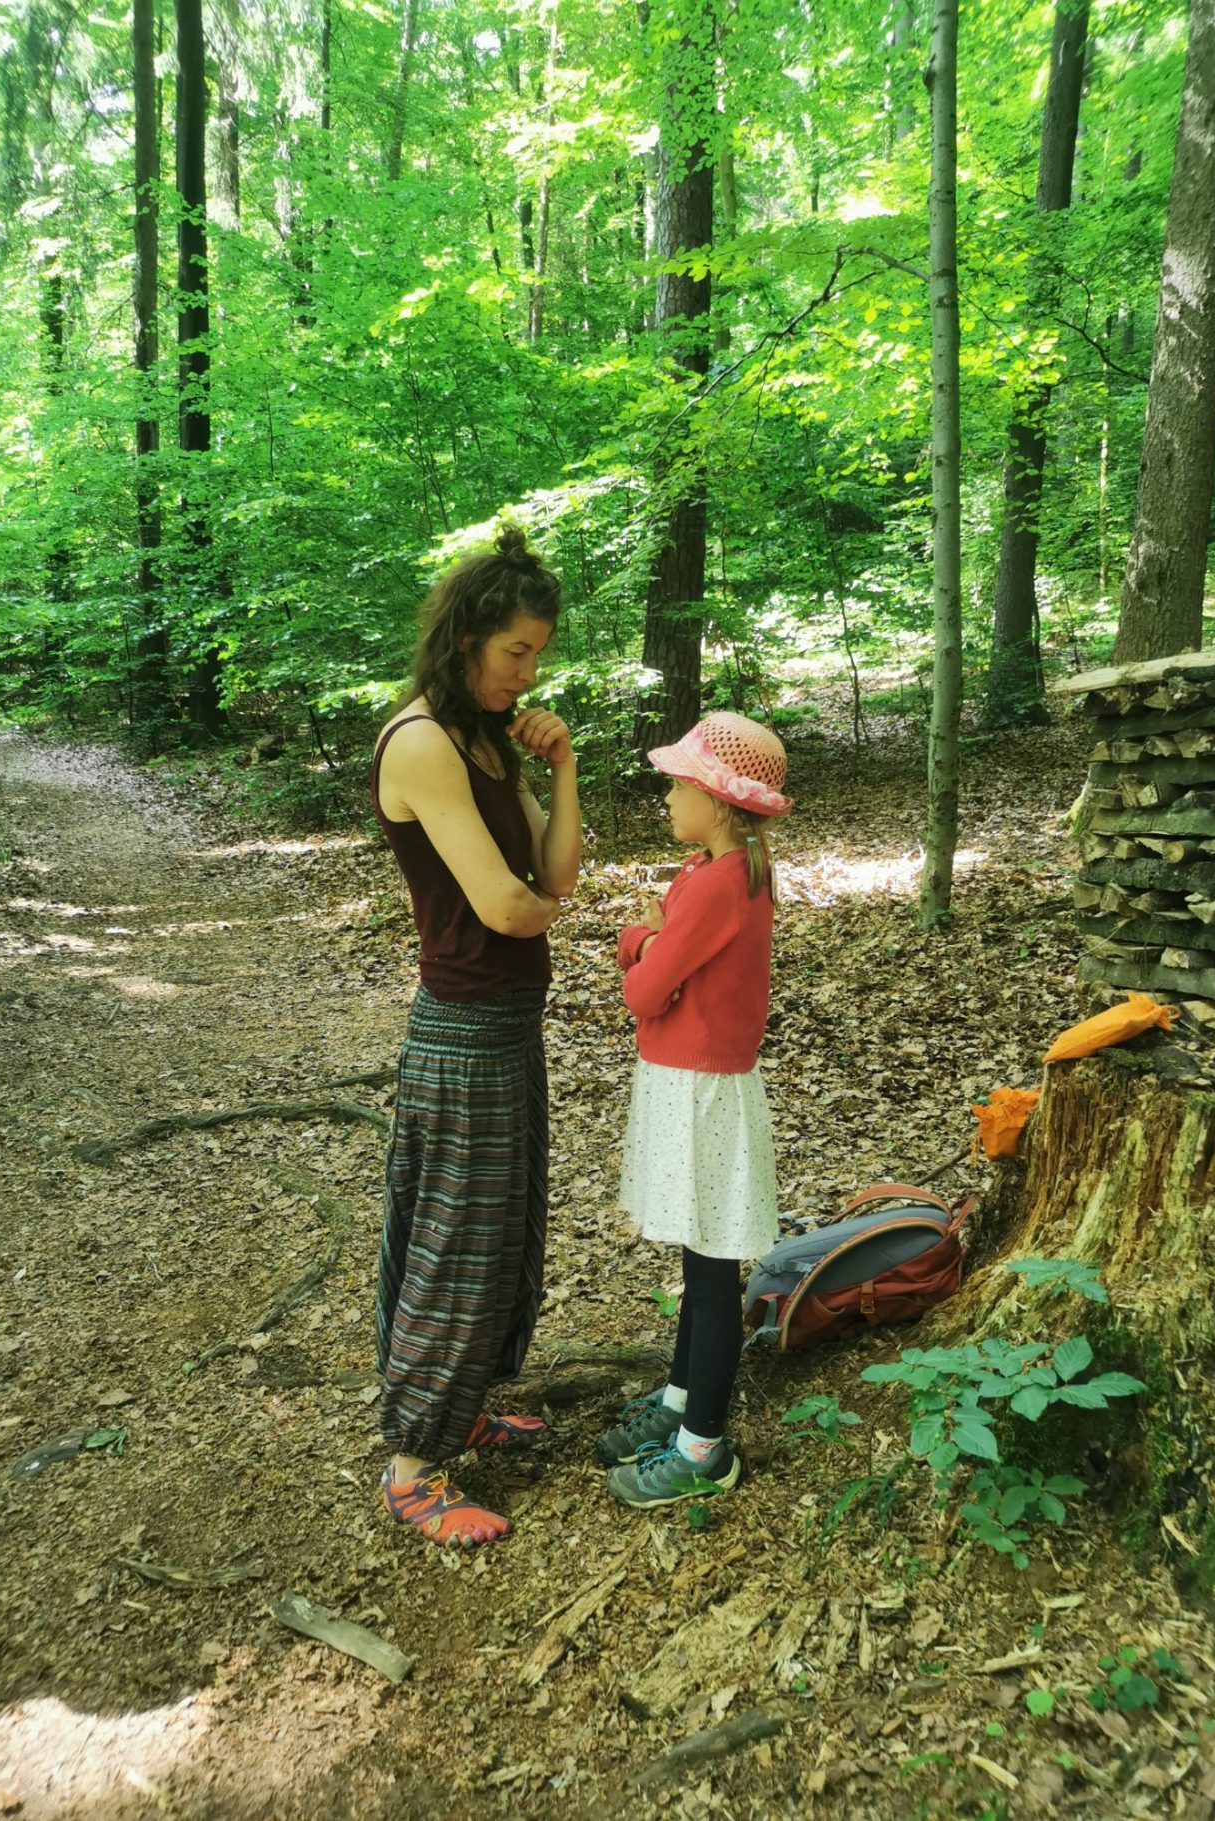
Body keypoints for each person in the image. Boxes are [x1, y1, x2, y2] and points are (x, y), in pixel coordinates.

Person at [370, 526, 580, 1547]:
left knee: (501, 1233)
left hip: (510, 1026)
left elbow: (557, 873)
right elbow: (506, 904)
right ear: (465, 641)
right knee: (455, 1244)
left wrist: (565, 766)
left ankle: (463, 1409)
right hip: (459, 1033)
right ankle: (413, 1462)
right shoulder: (421, 743)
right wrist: (537, 900)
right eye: (516, 652)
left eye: (537, 653)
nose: (527, 671)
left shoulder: (492, 738)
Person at [597, 712, 792, 1507]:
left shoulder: (715, 882)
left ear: (716, 799)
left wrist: (638, 942)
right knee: (698, 1261)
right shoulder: (727, 867)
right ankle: (679, 1405)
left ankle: (704, 1449)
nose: (668, 796)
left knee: (711, 1276)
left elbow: (643, 991)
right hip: (693, 1085)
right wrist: (657, 941)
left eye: (679, 784)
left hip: (700, 1095)